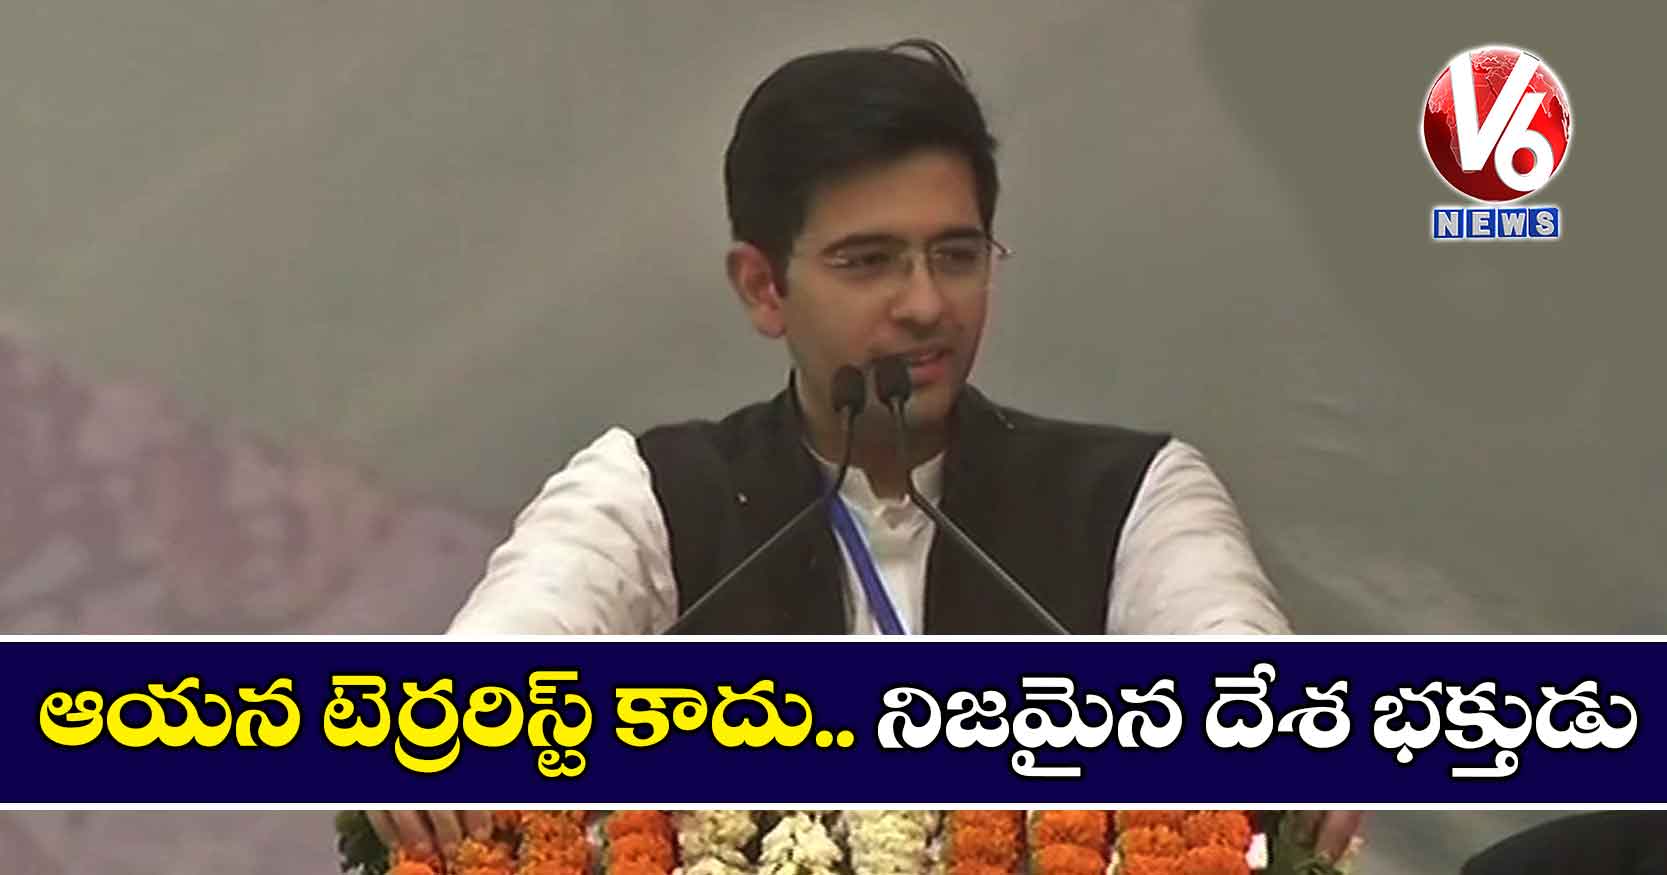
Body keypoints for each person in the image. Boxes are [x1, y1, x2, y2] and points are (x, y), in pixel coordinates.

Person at [374, 38, 1358, 859]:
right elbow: (497, 664)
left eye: (956, 255)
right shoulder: (649, 492)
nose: (925, 303)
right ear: (763, 287)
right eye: (868, 261)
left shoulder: (1132, 494)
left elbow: (1238, 670)